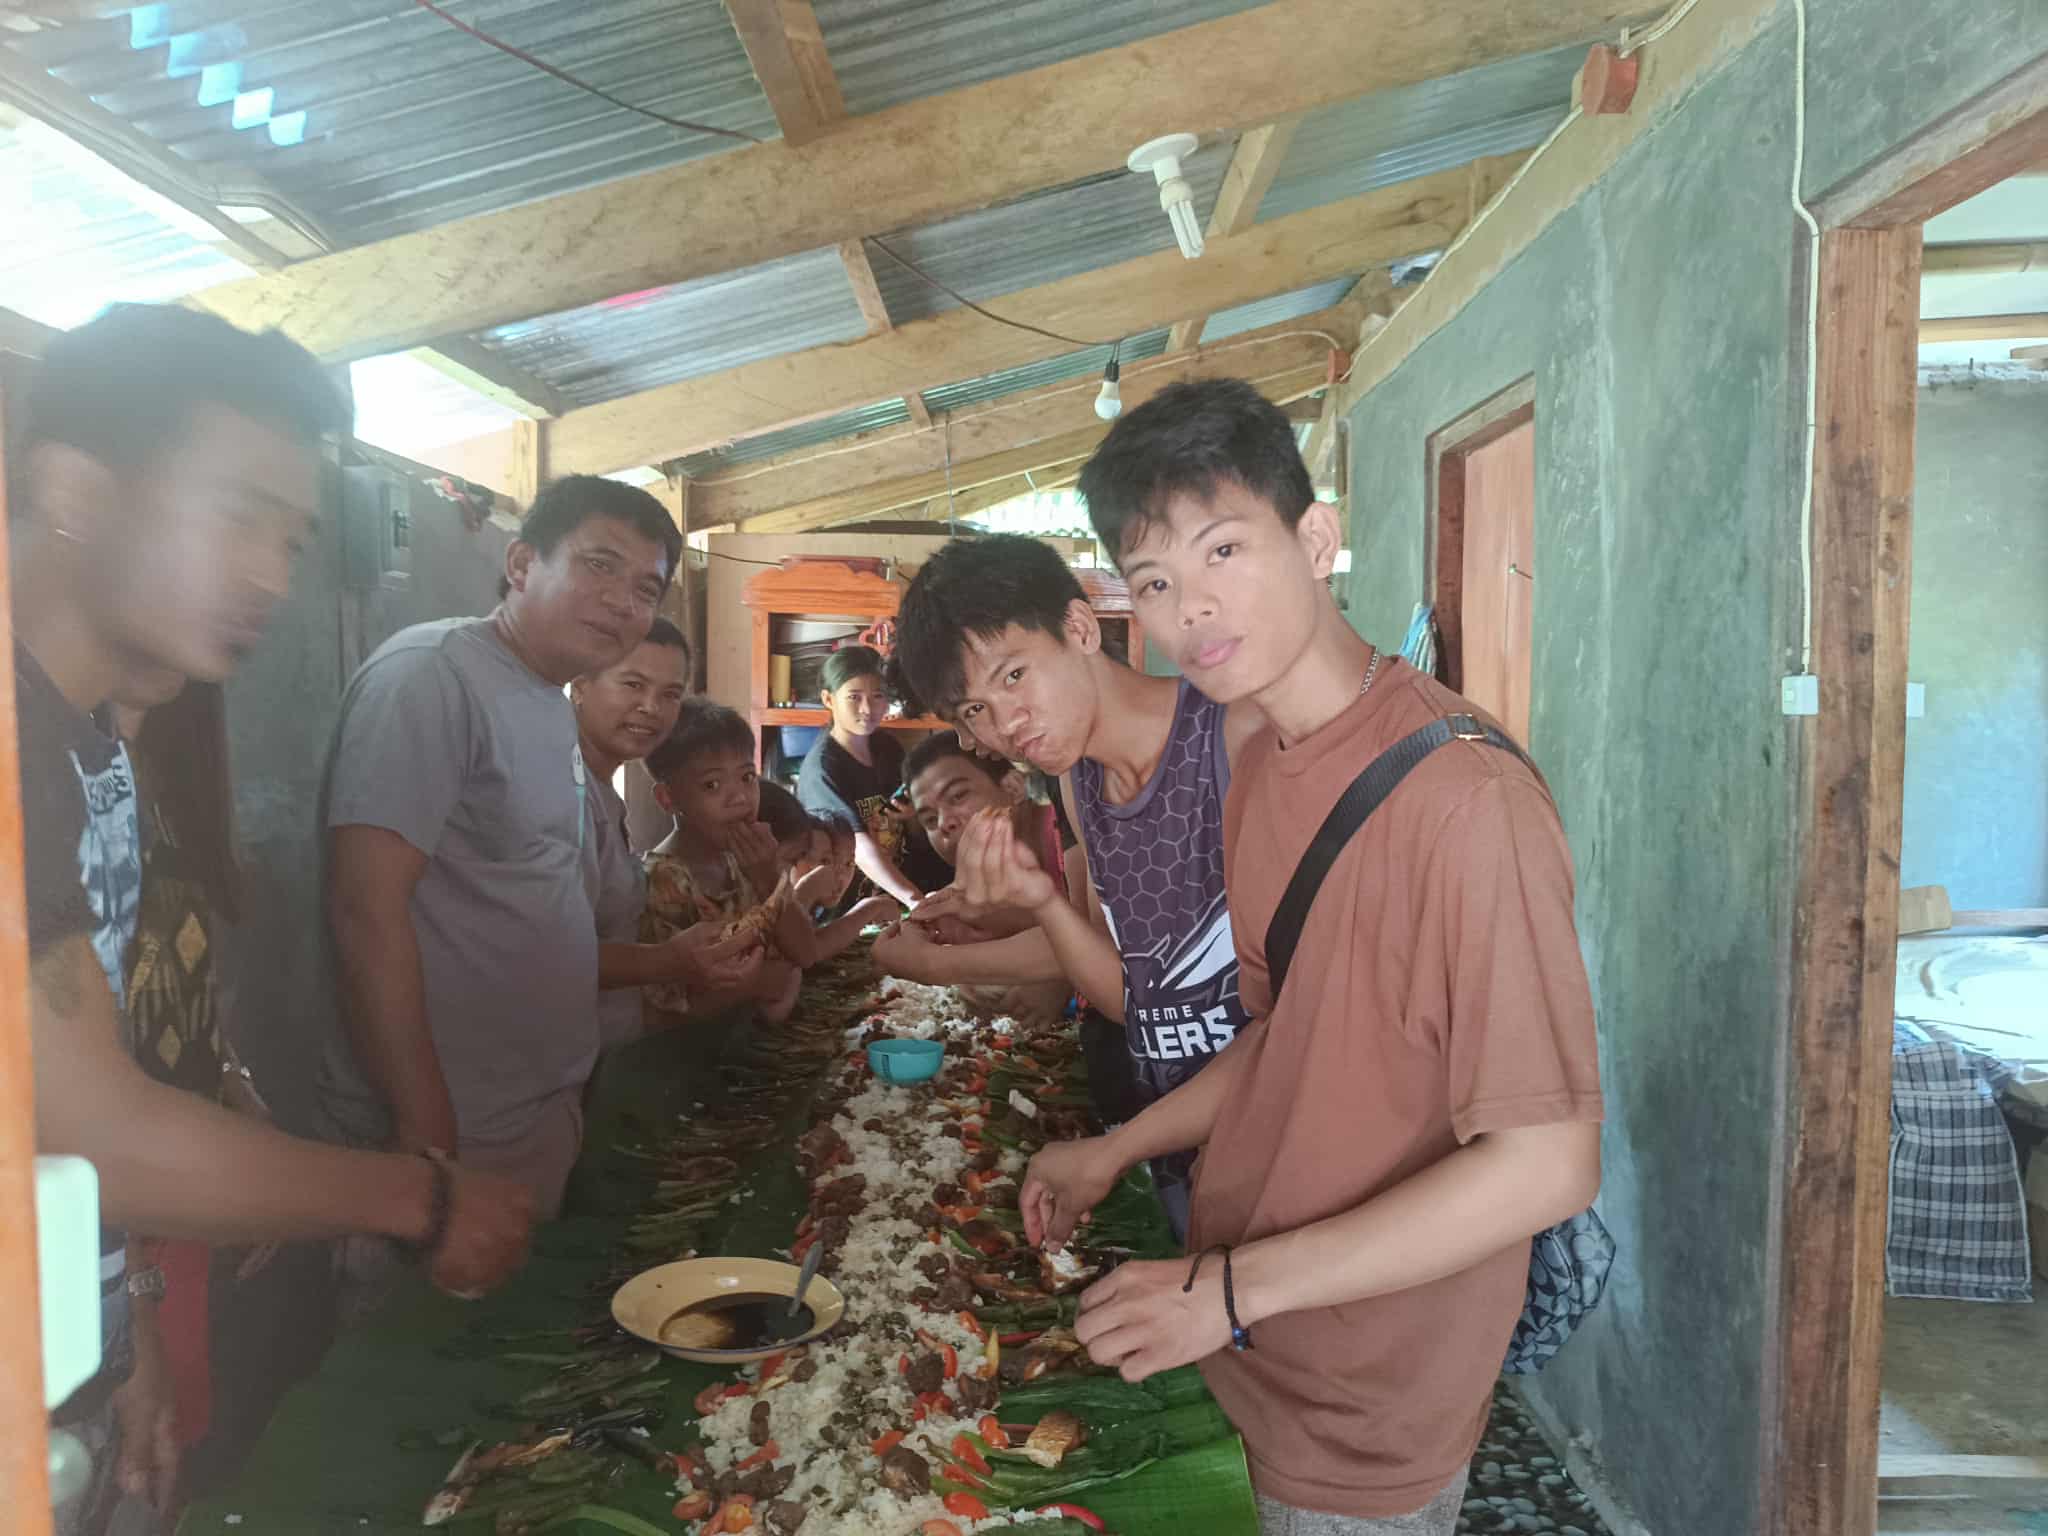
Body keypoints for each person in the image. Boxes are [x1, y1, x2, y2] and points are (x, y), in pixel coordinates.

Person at [1020, 379, 1605, 1535]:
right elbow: (1288, 1036)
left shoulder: (1464, 802)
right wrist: (1116, 1149)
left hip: (1362, 1397)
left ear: (1318, 539)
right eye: (1153, 582)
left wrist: (1228, 1291)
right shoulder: (1261, 760)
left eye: (1223, 549)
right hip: (1247, 1331)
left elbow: (1547, 1165)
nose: (1192, 608)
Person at [10, 304, 534, 1536]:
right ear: (75, 488)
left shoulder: (86, 745)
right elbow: (93, 1133)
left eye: (292, 536)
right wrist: (421, 1198)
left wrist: (116, 1329)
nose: (271, 575)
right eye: (238, 514)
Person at [319, 474, 737, 1220]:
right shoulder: (430, 674)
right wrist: (427, 1135)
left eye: (646, 588)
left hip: (536, 1104)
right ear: (520, 565)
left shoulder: (546, 700)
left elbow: (534, 910)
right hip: (455, 1123)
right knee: (435, 1329)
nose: (623, 601)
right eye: (599, 565)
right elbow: (364, 910)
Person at [885, 533, 1262, 1237]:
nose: (1004, 725)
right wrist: (1041, 901)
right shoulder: (1076, 780)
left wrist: (939, 965)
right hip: (1184, 1157)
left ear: (1080, 628)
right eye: (972, 710)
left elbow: (1310, 1023)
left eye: (1012, 676)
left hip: (1289, 1158)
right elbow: (1134, 999)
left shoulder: (1236, 738)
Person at [572, 618, 762, 1051]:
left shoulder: (601, 794)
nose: (651, 708)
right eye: (632, 685)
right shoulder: (561, 796)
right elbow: (540, 950)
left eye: (670, 694)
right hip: (557, 1059)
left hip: (603, 1049)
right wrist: (669, 960)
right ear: (581, 684)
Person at [643, 703, 896, 1026]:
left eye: (747, 777)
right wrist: (758, 984)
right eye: (712, 785)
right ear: (668, 798)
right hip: (698, 1055)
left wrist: (767, 877)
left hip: (752, 1037)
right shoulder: (665, 880)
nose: (740, 798)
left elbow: (804, 953)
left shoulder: (748, 859)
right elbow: (666, 1013)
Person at [795, 646, 923, 909]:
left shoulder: (888, 748)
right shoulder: (822, 770)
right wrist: (915, 900)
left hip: (893, 901)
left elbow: (912, 827)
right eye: (854, 697)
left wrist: (912, 817)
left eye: (877, 696)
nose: (868, 708)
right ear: (828, 699)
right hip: (847, 910)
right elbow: (859, 848)